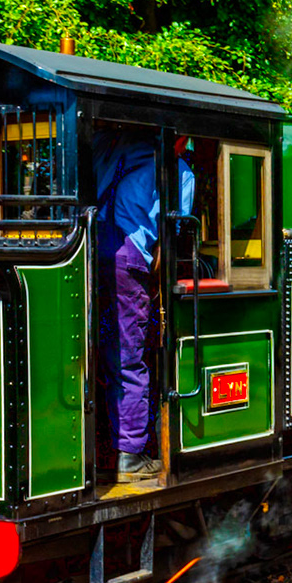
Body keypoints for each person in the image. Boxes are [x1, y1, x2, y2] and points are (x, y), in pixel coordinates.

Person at [92, 130, 194, 484]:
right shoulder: (178, 170)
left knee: (106, 352)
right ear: (179, 141)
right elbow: (176, 230)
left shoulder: (114, 151)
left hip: (94, 252)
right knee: (130, 358)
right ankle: (131, 454)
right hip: (130, 259)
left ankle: (107, 444)